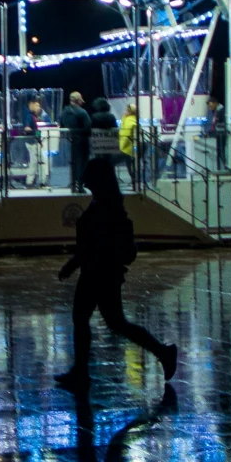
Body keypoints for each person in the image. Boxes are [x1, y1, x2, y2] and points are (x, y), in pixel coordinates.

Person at [56, 159, 178, 390]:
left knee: (100, 320)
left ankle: (162, 352)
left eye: (88, 175)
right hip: (101, 272)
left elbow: (95, 243)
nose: (84, 178)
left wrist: (73, 263)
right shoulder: (106, 204)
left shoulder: (104, 208)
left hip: (99, 273)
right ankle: (162, 352)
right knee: (107, 321)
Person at [61, 91, 92, 192]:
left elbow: (62, 125)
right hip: (82, 140)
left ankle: (73, 185)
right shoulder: (82, 112)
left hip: (68, 141)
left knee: (73, 163)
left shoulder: (64, 111)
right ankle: (80, 185)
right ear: (78, 101)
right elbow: (88, 127)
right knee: (82, 163)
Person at [23, 95, 49, 188]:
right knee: (36, 162)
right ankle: (33, 182)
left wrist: (39, 140)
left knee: (38, 162)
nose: (39, 107)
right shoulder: (29, 116)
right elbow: (27, 128)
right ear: (31, 105)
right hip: (32, 142)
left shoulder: (33, 116)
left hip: (35, 142)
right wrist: (35, 133)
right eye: (37, 105)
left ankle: (38, 182)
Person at [118, 104, 139, 189]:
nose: (124, 112)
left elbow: (125, 136)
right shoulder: (126, 120)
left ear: (130, 112)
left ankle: (134, 182)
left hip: (126, 148)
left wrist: (120, 147)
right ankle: (134, 182)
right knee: (130, 165)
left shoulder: (129, 122)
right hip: (127, 148)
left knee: (129, 165)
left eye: (126, 110)